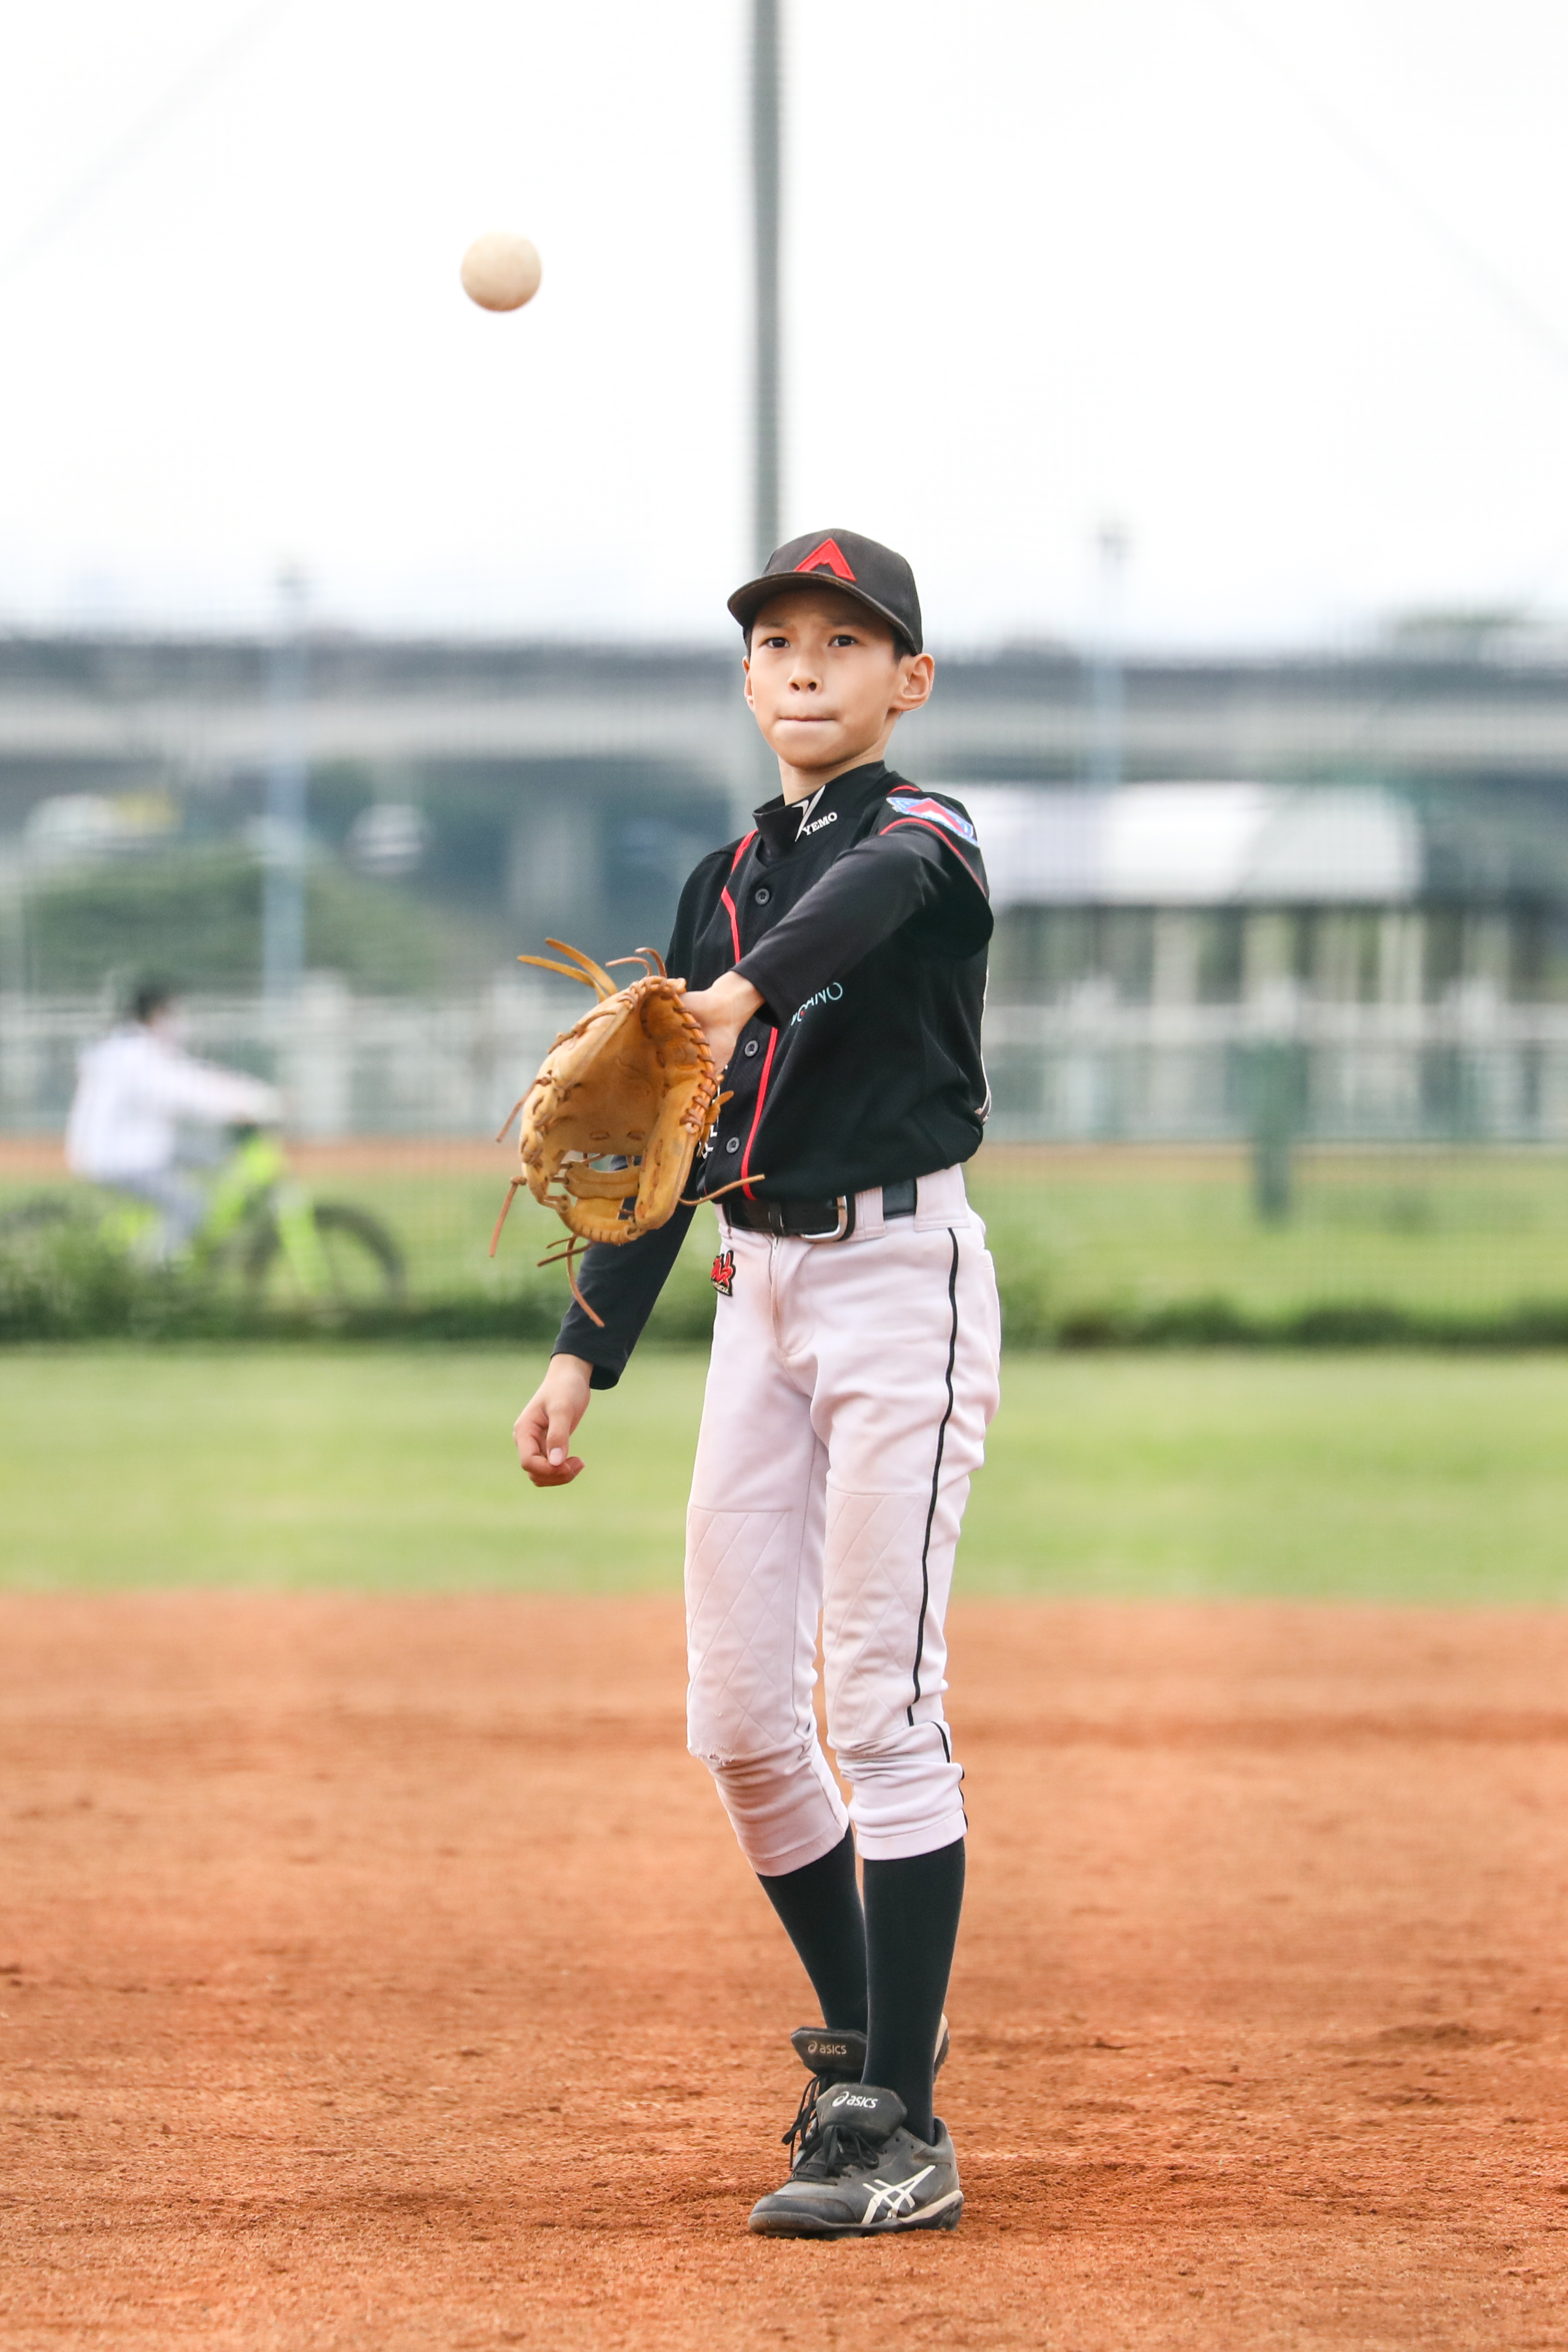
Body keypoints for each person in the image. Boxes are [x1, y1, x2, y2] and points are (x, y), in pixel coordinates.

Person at [513, 529, 1002, 2238]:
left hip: (898, 1286)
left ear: (906, 681)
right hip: (756, 1290)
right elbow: (657, 1153)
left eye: (843, 641)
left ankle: (903, 2129)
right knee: (736, 1719)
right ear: (745, 679)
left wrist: (737, 995)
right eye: (779, 640)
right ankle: (872, 2050)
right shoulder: (718, 880)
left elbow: (867, 900)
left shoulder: (926, 837)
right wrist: (584, 1349)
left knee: (877, 1704)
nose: (805, 662)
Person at [65, 979, 282, 1257]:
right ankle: (151, 1269)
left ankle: (190, 1249)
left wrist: (258, 1097)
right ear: (157, 1014)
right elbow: (186, 1092)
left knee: (222, 1159)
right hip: (122, 1158)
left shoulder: (132, 1049)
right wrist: (254, 1106)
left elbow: (197, 1078)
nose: (181, 1022)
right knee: (191, 1207)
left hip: (141, 1146)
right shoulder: (137, 1057)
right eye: (175, 1013)